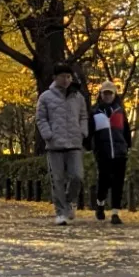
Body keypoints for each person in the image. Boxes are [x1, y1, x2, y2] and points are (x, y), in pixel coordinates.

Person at [35, 65, 90, 225]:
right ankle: (60, 212)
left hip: (74, 143)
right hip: (55, 144)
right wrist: (48, 134)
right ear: (55, 78)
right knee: (57, 179)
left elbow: (83, 115)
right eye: (63, 76)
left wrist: (83, 131)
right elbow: (41, 118)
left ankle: (69, 201)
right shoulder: (45, 97)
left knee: (77, 176)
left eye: (68, 76)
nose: (66, 80)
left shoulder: (77, 97)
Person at [91, 82, 131, 224]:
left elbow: (126, 130)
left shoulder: (120, 111)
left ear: (115, 95)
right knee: (104, 180)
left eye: (110, 93)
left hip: (120, 152)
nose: (107, 96)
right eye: (105, 93)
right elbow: (91, 132)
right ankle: (100, 204)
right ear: (101, 95)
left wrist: (128, 146)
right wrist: (92, 147)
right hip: (103, 152)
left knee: (118, 182)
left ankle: (115, 212)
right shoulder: (95, 112)